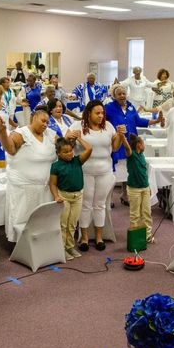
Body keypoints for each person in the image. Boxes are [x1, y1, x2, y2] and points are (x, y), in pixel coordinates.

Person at [0, 107, 57, 243]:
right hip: (23, 188)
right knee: (23, 218)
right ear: (34, 118)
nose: (45, 124)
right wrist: (2, 133)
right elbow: (10, 149)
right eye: (43, 121)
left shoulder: (50, 134)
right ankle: (20, 245)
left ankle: (40, 244)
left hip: (45, 187)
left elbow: (62, 149)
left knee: (42, 219)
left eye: (47, 122)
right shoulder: (21, 133)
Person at [68, 100, 121, 250]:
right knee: (85, 204)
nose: (101, 116)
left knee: (100, 204)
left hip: (105, 172)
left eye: (102, 113)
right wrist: (71, 138)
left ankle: (99, 237)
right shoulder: (77, 126)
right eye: (97, 113)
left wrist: (120, 135)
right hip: (84, 171)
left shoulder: (108, 126)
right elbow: (67, 146)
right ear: (88, 113)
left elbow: (115, 147)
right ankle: (84, 238)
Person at [105, 85, 162, 201]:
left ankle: (125, 195)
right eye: (119, 94)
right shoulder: (109, 107)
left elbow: (139, 121)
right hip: (117, 143)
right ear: (114, 96)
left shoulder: (131, 107)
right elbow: (103, 122)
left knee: (128, 169)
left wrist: (156, 121)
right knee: (114, 171)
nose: (122, 96)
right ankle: (108, 198)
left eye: (124, 93)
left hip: (131, 143)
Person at [49, 134, 91, 260]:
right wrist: (56, 196)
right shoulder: (55, 166)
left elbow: (89, 149)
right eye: (65, 152)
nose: (69, 154)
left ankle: (69, 247)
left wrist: (79, 138)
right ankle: (61, 249)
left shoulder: (77, 161)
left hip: (77, 197)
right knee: (63, 224)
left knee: (72, 224)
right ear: (58, 153)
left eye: (70, 150)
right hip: (64, 197)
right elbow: (52, 184)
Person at [122, 133, 152, 241]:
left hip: (145, 187)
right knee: (135, 215)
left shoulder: (142, 155)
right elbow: (127, 147)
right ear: (138, 144)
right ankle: (135, 238)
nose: (145, 146)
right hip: (134, 189)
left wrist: (149, 187)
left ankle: (147, 235)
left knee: (146, 213)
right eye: (143, 143)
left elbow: (144, 172)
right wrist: (122, 137)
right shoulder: (132, 155)